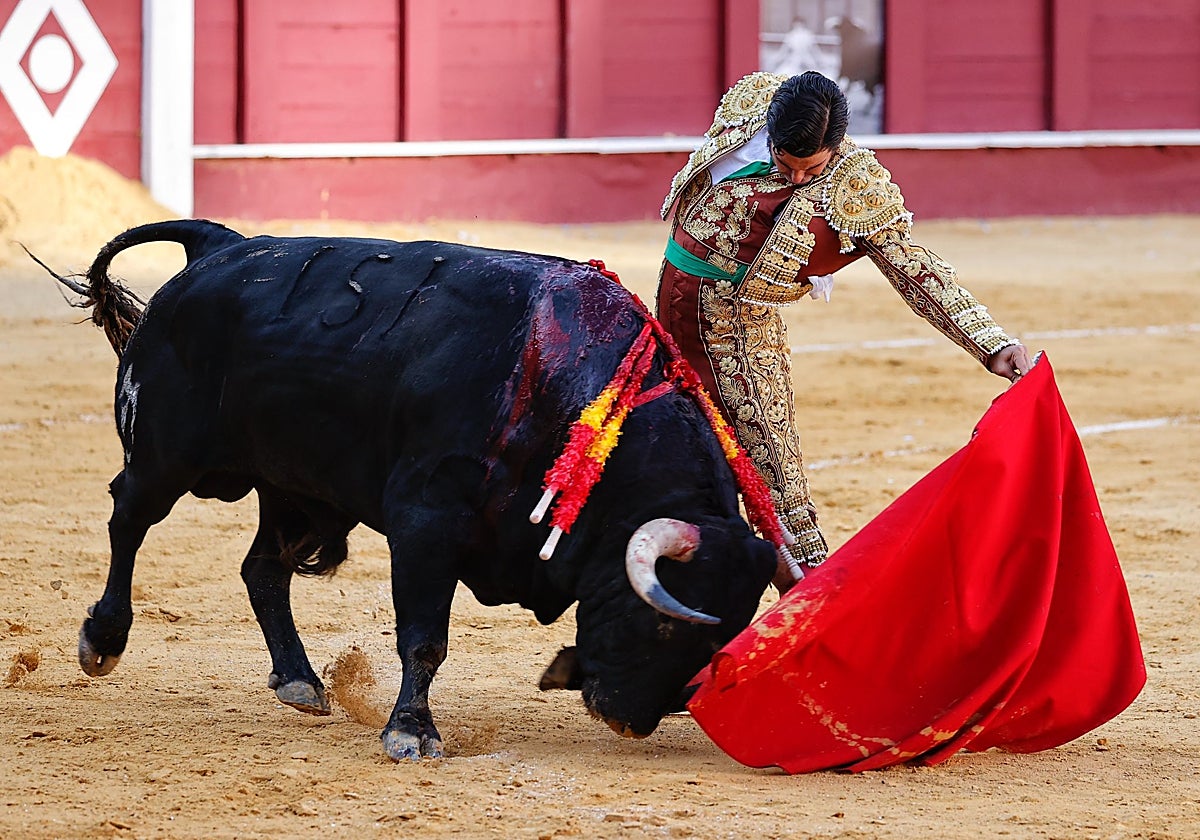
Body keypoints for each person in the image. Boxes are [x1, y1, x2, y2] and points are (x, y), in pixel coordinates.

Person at [655, 70, 1032, 585]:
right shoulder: (752, 104)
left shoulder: (855, 185)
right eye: (788, 165)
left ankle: (815, 617)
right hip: (671, 309)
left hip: (738, 335)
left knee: (777, 481)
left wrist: (991, 343)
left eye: (812, 169)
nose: (798, 180)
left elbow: (911, 267)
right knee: (669, 454)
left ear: (835, 149)